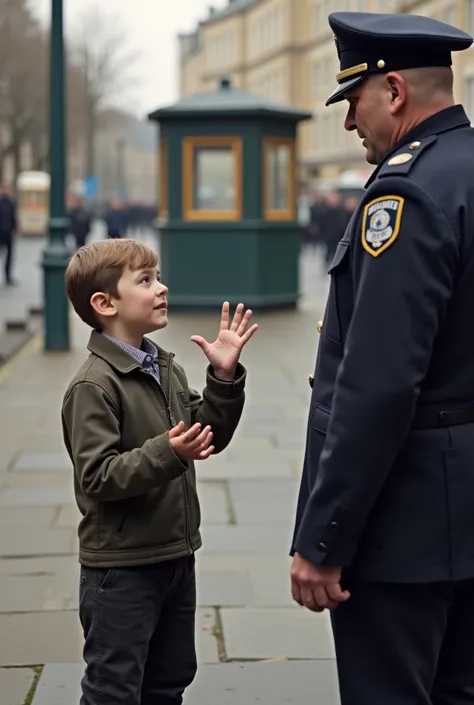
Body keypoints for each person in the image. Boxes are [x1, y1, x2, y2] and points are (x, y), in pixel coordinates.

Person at [290, 11, 474, 705]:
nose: (348, 123)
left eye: (354, 100)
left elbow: (379, 384)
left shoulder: (405, 194)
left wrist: (324, 535)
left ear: (393, 90)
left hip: (406, 528)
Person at [61, 238, 258, 705]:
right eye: (146, 280)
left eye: (158, 276)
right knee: (115, 688)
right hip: (122, 569)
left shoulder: (163, 366)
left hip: (173, 556)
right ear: (105, 303)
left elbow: (206, 435)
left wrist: (223, 380)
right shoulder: (93, 385)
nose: (162, 287)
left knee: (169, 681)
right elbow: (97, 477)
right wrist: (166, 452)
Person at [0, 184, 17, 286]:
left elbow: (13, 216)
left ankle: (8, 276)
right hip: (0, 232)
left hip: (9, 232)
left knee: (9, 256)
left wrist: (14, 228)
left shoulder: (11, 202)